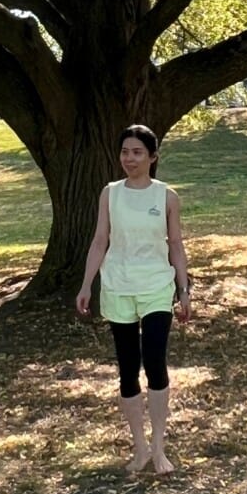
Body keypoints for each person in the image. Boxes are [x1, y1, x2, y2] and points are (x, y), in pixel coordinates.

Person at [76, 124, 191, 475]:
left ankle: (159, 448)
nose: (130, 158)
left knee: (154, 361)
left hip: (157, 286)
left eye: (137, 152)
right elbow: (99, 241)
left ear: (153, 157)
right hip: (118, 286)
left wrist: (184, 290)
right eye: (125, 151)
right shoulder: (109, 194)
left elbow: (175, 244)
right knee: (127, 369)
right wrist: (85, 286)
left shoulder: (167, 196)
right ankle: (139, 448)